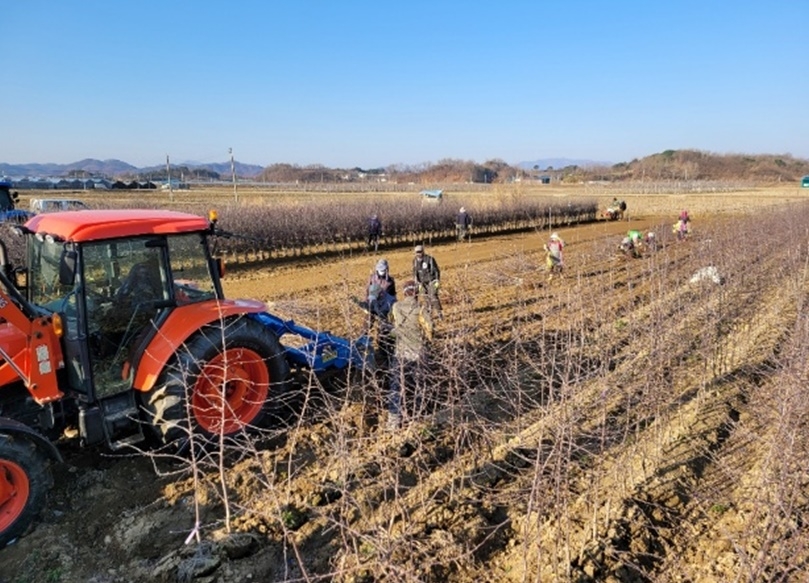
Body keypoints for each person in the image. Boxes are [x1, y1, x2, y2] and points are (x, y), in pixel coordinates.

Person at [387, 279, 433, 430]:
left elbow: (391, 326)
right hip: (417, 351)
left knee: (397, 385)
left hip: (400, 352)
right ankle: (418, 418)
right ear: (416, 293)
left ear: (404, 292)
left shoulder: (395, 307)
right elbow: (430, 329)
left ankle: (393, 421)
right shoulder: (420, 309)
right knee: (419, 385)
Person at [412, 244, 442, 319]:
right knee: (425, 298)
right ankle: (429, 314)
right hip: (421, 283)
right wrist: (417, 283)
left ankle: (439, 313)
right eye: (417, 252)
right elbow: (414, 273)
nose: (419, 253)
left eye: (420, 251)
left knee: (433, 296)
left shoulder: (430, 259)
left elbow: (436, 271)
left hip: (431, 281)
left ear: (423, 251)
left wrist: (437, 281)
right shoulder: (415, 261)